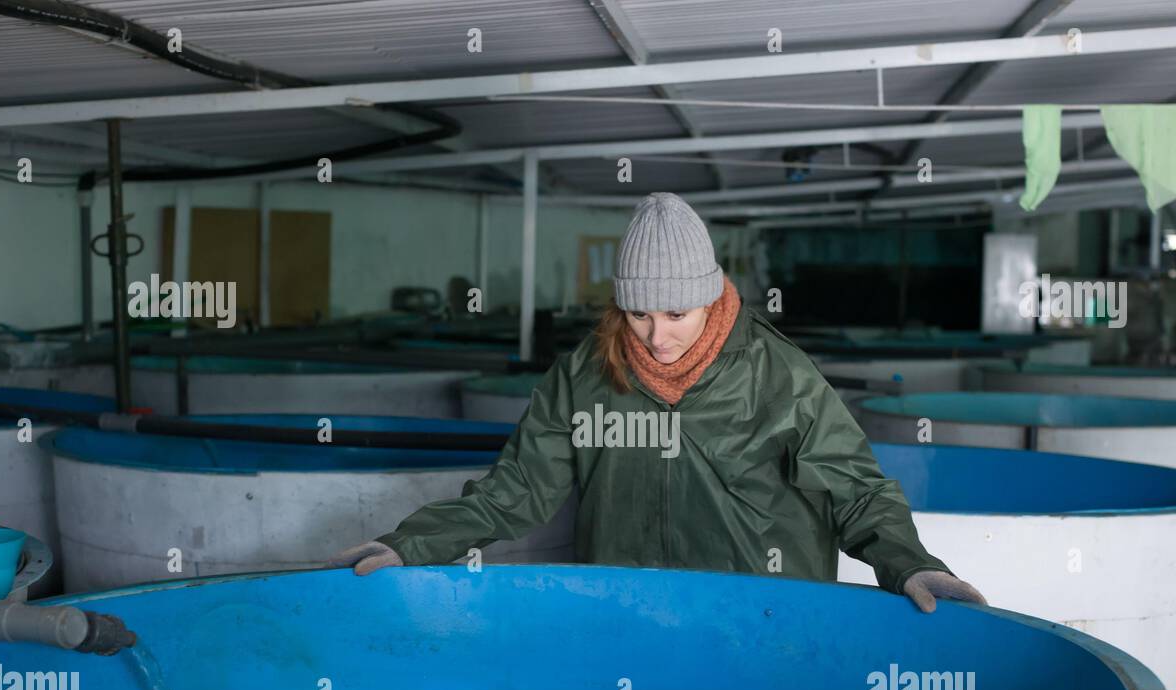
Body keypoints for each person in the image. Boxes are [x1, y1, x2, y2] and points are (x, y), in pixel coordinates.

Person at [330, 192, 985, 613]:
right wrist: (409, 546)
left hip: (767, 618)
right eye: (639, 313)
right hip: (630, 615)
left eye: (676, 314)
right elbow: (514, 492)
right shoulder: (583, 377)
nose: (657, 335)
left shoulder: (778, 374)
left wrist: (911, 566)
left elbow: (857, 491)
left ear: (710, 297)